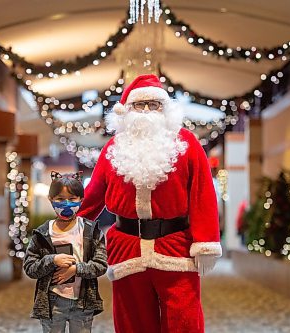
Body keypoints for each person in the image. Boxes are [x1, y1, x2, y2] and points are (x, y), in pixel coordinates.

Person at [78, 74, 222, 333]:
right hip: (127, 248)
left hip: (176, 246)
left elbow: (203, 194)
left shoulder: (187, 144)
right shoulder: (114, 148)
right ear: (126, 111)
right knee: (132, 322)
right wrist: (71, 231)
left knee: (184, 321)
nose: (146, 111)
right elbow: (93, 197)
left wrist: (206, 242)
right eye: (139, 105)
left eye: (153, 105)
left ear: (165, 110)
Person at [24, 171, 107, 333]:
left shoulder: (91, 231)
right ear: (51, 200)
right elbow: (30, 268)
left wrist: (75, 269)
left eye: (72, 199)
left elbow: (101, 264)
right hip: (52, 301)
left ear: (81, 200)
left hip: (83, 301)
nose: (66, 204)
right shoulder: (42, 234)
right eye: (60, 199)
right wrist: (52, 260)